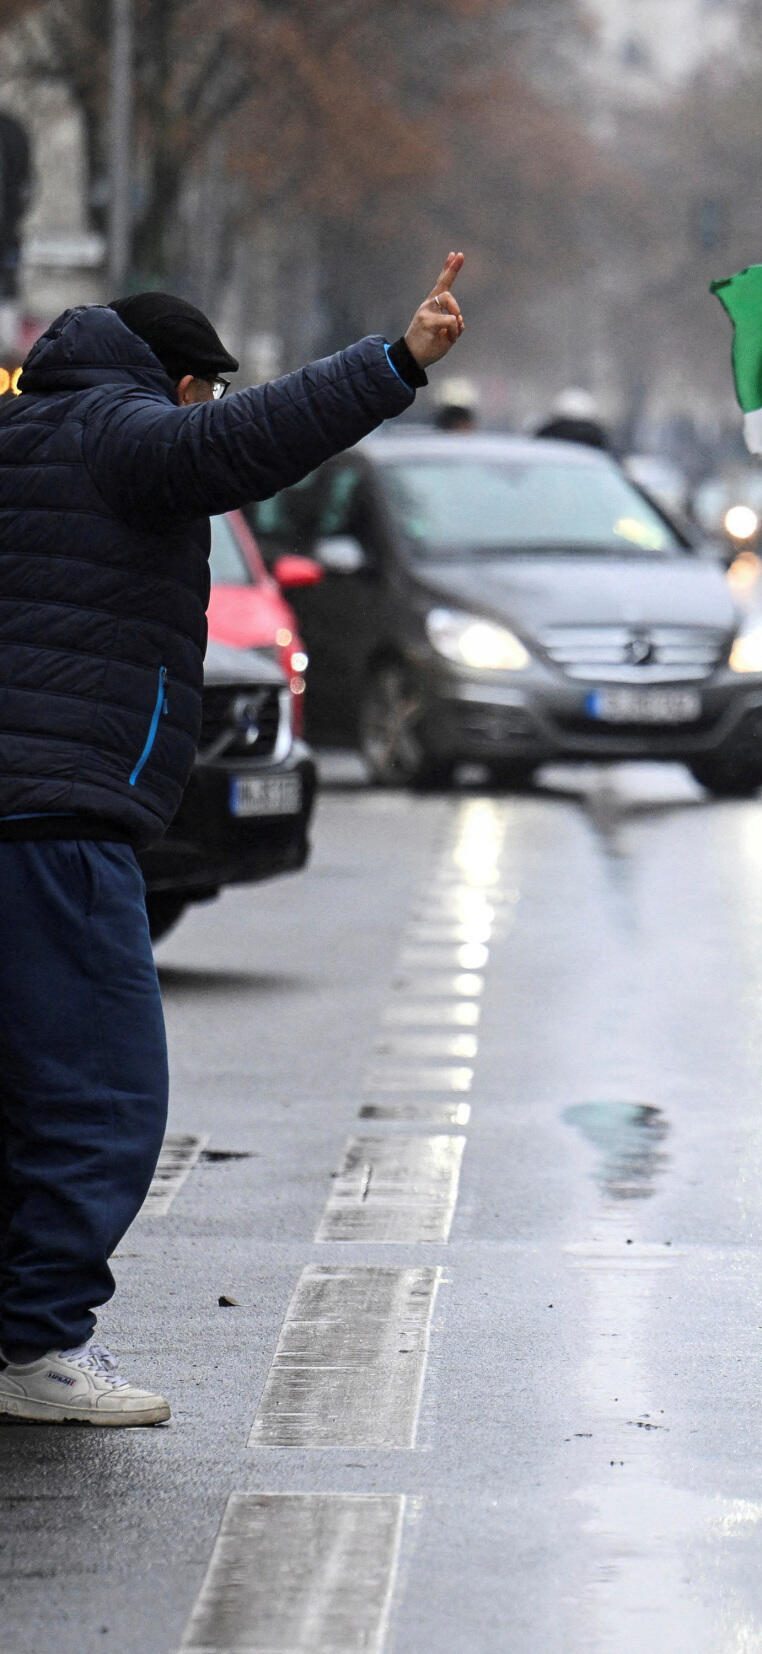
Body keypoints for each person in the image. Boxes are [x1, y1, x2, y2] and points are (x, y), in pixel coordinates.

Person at [0, 255, 469, 1426]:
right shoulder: (123, 430)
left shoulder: (19, 431)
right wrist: (395, 362)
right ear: (175, 380)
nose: (203, 409)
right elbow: (247, 445)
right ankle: (37, 1344)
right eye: (199, 390)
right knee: (101, 1096)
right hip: (60, 821)